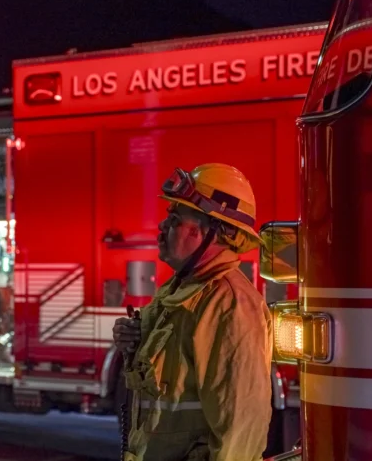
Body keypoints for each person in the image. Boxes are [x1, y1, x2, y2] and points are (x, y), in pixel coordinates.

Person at [113, 163, 273, 461]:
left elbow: (239, 427)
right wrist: (131, 339)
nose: (162, 227)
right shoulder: (179, 292)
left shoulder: (229, 304)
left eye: (174, 220)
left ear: (210, 231)